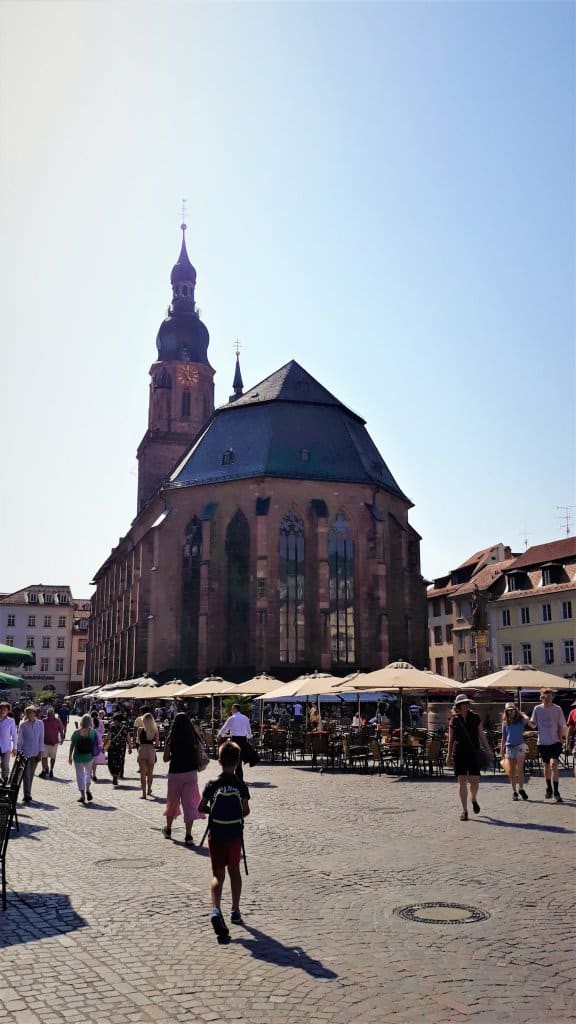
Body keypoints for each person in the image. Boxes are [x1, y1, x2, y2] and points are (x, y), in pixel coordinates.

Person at [198, 741, 250, 942]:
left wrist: (214, 811)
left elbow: (201, 807)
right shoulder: (240, 785)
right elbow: (245, 810)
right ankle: (235, 910)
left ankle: (215, 910)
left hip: (216, 834)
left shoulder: (212, 785)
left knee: (217, 874)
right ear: (237, 763)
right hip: (235, 835)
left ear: (219, 761)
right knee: (234, 871)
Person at [446, 694, 492, 821]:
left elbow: (481, 735)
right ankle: (465, 811)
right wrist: (448, 755)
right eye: (463, 704)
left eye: (467, 703)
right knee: (462, 781)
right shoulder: (454, 720)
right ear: (458, 706)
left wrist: (488, 749)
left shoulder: (475, 718)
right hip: (459, 753)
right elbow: (451, 740)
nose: (466, 705)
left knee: (474, 781)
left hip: (473, 752)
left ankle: (474, 799)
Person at [162, 711, 206, 842]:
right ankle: (188, 835)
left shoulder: (171, 737)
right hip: (191, 773)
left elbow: (165, 758)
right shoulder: (193, 737)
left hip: (175, 773)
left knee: (172, 802)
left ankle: (168, 829)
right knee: (190, 803)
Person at [529, 689, 566, 803]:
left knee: (554, 764)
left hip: (555, 742)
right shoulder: (537, 709)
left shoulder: (557, 709)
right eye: (545, 697)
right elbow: (533, 725)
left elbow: (561, 725)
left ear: (553, 697)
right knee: (546, 765)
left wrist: (561, 740)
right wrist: (526, 720)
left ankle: (556, 791)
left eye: (550, 697)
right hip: (542, 742)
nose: (548, 699)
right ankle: (549, 788)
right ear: (542, 697)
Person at [500, 702, 530, 801]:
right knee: (511, 770)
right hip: (509, 747)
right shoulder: (505, 723)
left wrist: (520, 712)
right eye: (508, 711)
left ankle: (521, 788)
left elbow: (527, 719)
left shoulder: (520, 720)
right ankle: (514, 791)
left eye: (512, 710)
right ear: (506, 712)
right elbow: (503, 737)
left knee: (520, 769)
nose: (511, 712)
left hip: (520, 746)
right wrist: (502, 750)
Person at [217, 703, 253, 781]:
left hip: (235, 740)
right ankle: (238, 777)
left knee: (235, 758)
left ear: (235, 709)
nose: (231, 710)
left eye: (232, 708)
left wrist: (220, 734)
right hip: (243, 740)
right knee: (239, 758)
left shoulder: (232, 718)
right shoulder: (245, 718)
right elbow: (248, 728)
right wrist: (249, 736)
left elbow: (225, 727)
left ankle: (235, 777)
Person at [17, 706, 45, 804]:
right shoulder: (23, 725)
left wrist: (41, 752)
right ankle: (27, 795)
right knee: (26, 775)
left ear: (34, 713)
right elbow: (19, 739)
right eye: (27, 713)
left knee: (31, 775)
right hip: (25, 753)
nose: (29, 715)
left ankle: (28, 793)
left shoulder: (40, 723)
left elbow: (41, 739)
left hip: (36, 753)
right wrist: (19, 752)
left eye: (30, 713)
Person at [69, 714, 97, 804]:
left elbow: (72, 745)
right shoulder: (93, 732)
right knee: (88, 773)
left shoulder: (76, 733)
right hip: (89, 756)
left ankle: (82, 795)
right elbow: (96, 743)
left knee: (80, 775)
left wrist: (69, 755)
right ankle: (88, 789)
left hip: (78, 756)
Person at [137, 711, 159, 799]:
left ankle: (144, 794)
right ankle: (149, 789)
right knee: (150, 773)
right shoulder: (155, 730)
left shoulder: (140, 729)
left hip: (142, 749)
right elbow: (157, 744)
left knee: (142, 773)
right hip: (151, 750)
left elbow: (138, 741)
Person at [39, 706, 65, 779]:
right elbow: (40, 731)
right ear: (47, 714)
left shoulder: (58, 721)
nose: (50, 716)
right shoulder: (43, 721)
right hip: (44, 742)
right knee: (44, 757)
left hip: (54, 742)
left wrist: (62, 739)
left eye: (51, 714)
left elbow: (61, 730)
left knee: (53, 758)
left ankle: (51, 770)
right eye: (48, 714)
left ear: (54, 714)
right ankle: (45, 769)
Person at [107, 713, 132, 786]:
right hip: (121, 747)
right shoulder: (125, 727)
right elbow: (128, 737)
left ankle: (115, 775)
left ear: (117, 720)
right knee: (119, 761)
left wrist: (104, 746)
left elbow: (108, 737)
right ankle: (116, 775)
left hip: (113, 747)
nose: (113, 721)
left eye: (114, 720)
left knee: (111, 761)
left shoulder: (112, 727)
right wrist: (130, 747)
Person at [0, 701, 18, 784]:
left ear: (8, 711)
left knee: (5, 765)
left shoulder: (11, 721)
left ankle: (5, 780)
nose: (2, 710)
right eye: (1, 709)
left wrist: (15, 748)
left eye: (4, 709)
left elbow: (14, 735)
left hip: (6, 747)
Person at [92, 710, 107, 782]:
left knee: (89, 758)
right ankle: (94, 774)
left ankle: (89, 773)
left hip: (89, 741)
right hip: (97, 741)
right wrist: (100, 736)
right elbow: (103, 731)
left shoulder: (89, 721)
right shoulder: (101, 722)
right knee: (95, 759)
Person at [566, 700, 576, 796]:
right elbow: (570, 729)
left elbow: (570, 729)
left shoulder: (572, 712)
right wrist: (567, 743)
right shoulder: (573, 713)